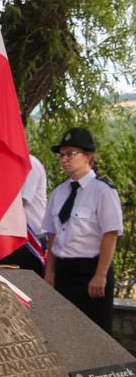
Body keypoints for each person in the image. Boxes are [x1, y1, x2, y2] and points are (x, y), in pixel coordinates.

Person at [42, 127, 122, 333]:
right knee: (65, 333)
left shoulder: (103, 191)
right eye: (62, 155)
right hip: (64, 272)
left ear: (88, 156)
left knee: (95, 334)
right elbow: (52, 235)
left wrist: (101, 275)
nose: (64, 159)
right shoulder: (59, 192)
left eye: (70, 153)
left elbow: (110, 234)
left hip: (91, 272)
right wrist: (50, 272)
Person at [0, 154, 48, 276]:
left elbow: (19, 203)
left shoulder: (29, 163)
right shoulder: (2, 164)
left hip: (30, 239)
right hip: (9, 236)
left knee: (29, 285)